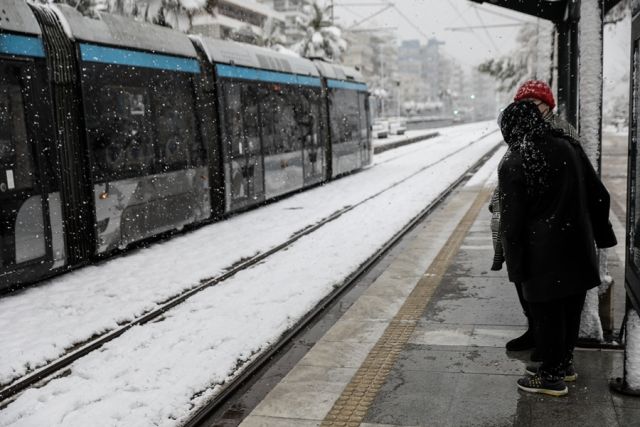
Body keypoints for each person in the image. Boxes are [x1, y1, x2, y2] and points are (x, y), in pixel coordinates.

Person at [497, 100, 616, 396]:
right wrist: (602, 237)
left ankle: (550, 377)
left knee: (546, 314)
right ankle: (563, 364)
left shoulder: (514, 161)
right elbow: (598, 195)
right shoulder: (568, 147)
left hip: (541, 253)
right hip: (577, 245)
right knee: (569, 308)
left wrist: (516, 268)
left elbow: (511, 225)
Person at [491, 80, 578, 356]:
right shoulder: (522, 130)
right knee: (523, 281)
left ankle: (551, 352)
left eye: (533, 104)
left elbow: (568, 179)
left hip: (544, 225)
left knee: (544, 289)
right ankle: (536, 333)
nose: (527, 109)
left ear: (547, 105)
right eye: (522, 105)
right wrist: (499, 201)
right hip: (524, 222)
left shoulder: (562, 133)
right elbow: (511, 169)